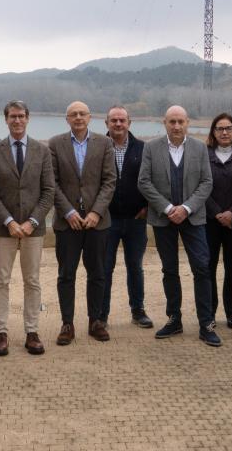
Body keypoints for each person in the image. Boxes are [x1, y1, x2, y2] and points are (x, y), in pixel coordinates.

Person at [138, 105, 221, 347]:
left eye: (180, 122)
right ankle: (174, 319)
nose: (176, 126)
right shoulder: (151, 148)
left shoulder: (199, 148)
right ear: (164, 123)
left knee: (202, 268)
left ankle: (206, 323)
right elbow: (144, 182)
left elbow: (206, 182)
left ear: (187, 123)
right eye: (172, 121)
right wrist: (167, 208)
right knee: (170, 269)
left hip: (193, 219)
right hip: (163, 219)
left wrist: (185, 208)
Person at [0, 100, 55, 356]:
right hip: (4, 229)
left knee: (32, 280)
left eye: (21, 116)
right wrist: (10, 222)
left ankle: (32, 331)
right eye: (12, 116)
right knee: (1, 280)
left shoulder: (42, 151)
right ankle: (1, 333)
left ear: (27, 118)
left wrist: (32, 221)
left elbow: (49, 191)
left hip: (33, 229)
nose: (17, 120)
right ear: (6, 119)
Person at [49, 101, 116, 345]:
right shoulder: (55, 143)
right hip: (67, 223)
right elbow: (52, 182)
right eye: (73, 114)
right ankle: (67, 323)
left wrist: (96, 212)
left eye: (82, 114)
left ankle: (95, 321)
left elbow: (109, 181)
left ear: (90, 117)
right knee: (66, 274)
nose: (78, 117)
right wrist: (67, 212)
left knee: (97, 273)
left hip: (96, 223)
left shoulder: (105, 143)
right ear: (67, 119)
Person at [99, 105, 153, 329]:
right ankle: (101, 315)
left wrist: (148, 206)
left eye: (122, 120)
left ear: (129, 123)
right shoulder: (98, 147)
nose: (118, 124)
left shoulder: (143, 148)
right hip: (106, 220)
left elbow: (154, 179)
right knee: (104, 268)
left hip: (136, 219)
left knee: (135, 267)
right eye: (114, 120)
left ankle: (138, 311)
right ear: (107, 123)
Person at [205, 113, 232, 329]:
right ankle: (209, 313)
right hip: (209, 221)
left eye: (229, 128)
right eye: (219, 128)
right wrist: (217, 213)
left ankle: (231, 312)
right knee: (207, 267)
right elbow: (199, 186)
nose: (224, 132)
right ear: (213, 132)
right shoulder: (204, 155)